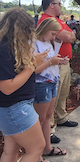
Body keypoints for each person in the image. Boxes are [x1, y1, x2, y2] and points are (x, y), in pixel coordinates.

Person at [0, 8, 48, 162]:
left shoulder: (9, 48)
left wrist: (32, 63)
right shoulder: (4, 50)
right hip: (15, 108)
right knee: (36, 148)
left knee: (10, 151)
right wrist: (32, 66)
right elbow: (7, 87)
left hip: (11, 108)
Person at [37, 0, 78, 136]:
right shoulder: (46, 21)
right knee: (52, 97)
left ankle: (61, 117)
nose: (61, 6)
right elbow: (67, 37)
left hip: (63, 62)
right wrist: (68, 35)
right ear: (51, 5)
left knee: (63, 93)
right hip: (52, 65)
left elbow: (72, 35)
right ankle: (50, 128)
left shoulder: (59, 21)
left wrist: (69, 35)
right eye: (59, 3)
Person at [34, 18, 68, 159]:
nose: (54, 37)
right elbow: (33, 69)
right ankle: (36, 153)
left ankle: (47, 148)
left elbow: (50, 61)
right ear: (45, 29)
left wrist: (59, 61)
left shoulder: (47, 42)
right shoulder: (34, 44)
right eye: (53, 34)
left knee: (48, 117)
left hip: (52, 82)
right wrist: (50, 62)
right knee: (40, 119)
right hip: (41, 84)